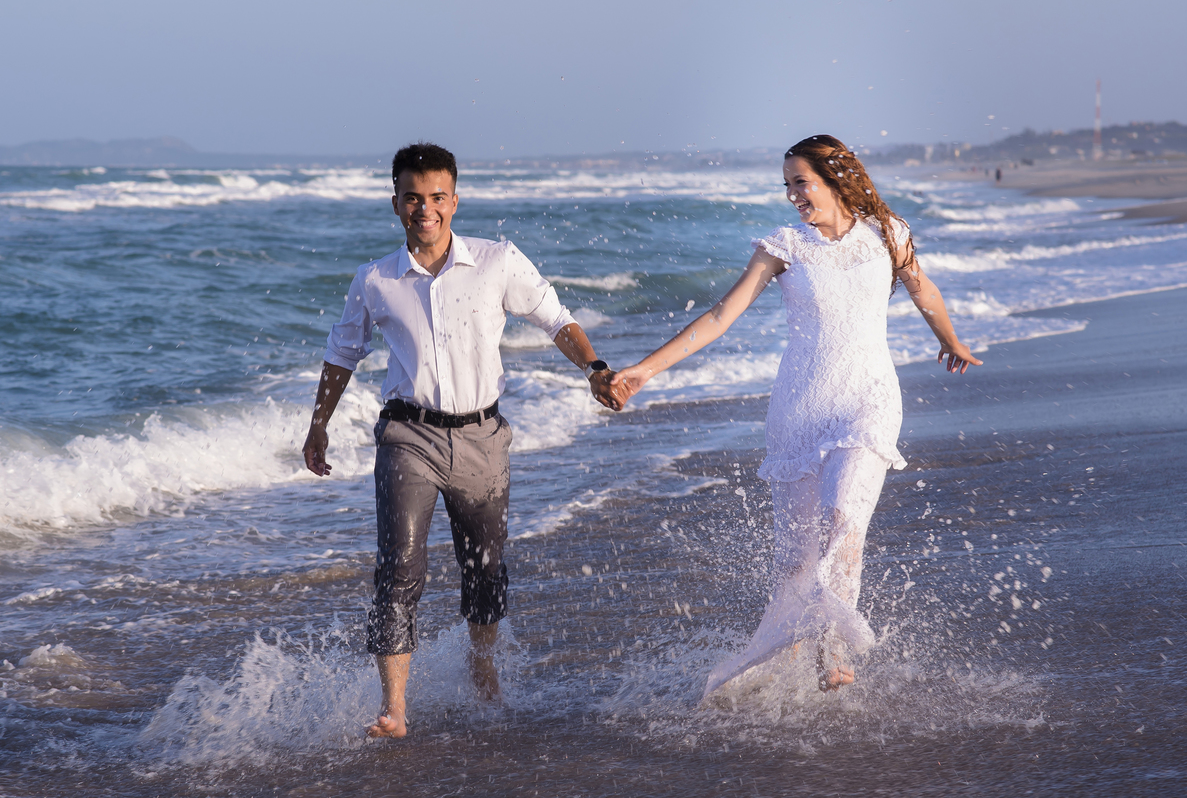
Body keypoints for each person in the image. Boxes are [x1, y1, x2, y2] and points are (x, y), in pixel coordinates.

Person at [607, 134, 981, 696]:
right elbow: (720, 316)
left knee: (844, 516)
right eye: (786, 185)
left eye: (801, 182)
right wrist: (645, 370)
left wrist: (949, 339)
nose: (792, 196)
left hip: (869, 398)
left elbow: (921, 287)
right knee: (796, 562)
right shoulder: (783, 247)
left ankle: (833, 644)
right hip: (801, 408)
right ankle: (786, 654)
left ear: (835, 180)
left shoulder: (888, 233)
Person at [302, 142, 619, 738]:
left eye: (437, 197)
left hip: (481, 439)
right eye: (413, 198)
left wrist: (594, 368)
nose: (425, 209)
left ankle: (482, 666)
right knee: (399, 567)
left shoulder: (498, 261)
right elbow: (342, 353)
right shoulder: (375, 279)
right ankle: (394, 707)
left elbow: (556, 318)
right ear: (395, 203)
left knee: (485, 569)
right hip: (408, 436)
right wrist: (319, 425)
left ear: (454, 200)